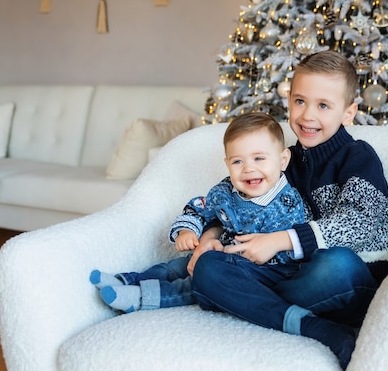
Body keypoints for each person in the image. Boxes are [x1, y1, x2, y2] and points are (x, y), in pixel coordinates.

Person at [191, 50, 388, 369]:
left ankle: (238, 298)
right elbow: (232, 198)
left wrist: (280, 240)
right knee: (208, 267)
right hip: (287, 275)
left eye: (323, 105)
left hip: (348, 279)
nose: (307, 115)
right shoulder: (282, 159)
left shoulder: (358, 157)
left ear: (349, 112)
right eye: (299, 101)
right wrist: (210, 237)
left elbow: (359, 222)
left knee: (336, 263)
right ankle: (312, 326)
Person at [89, 112, 310, 314]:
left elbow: (283, 255)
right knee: (176, 266)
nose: (248, 168)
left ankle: (139, 298)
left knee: (195, 282)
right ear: (227, 164)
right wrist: (187, 230)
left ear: (283, 160)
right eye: (238, 161)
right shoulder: (225, 191)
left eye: (259, 158)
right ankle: (126, 280)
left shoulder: (288, 205)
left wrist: (224, 253)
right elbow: (199, 208)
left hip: (254, 274)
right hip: (216, 255)